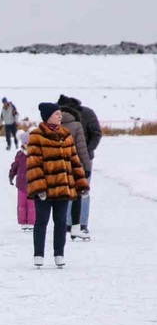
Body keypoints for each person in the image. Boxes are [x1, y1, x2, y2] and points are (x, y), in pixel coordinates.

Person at [26, 103, 89, 268]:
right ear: (47, 117)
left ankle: (59, 254)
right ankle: (38, 254)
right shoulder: (36, 136)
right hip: (45, 189)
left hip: (62, 187)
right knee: (41, 221)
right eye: (56, 114)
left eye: (60, 114)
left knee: (60, 222)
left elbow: (75, 161)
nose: (60, 117)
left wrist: (81, 183)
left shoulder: (66, 135)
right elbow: (34, 163)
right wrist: (39, 188)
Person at [59, 95, 102, 238]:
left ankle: (82, 223)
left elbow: (96, 134)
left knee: (83, 192)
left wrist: (87, 150)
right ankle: (68, 223)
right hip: (65, 159)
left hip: (85, 159)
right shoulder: (58, 117)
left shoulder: (87, 114)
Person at [58, 102, 91, 241]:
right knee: (77, 195)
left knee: (60, 197)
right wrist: (87, 167)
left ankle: (61, 226)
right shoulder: (77, 125)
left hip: (57, 166)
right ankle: (76, 227)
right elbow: (82, 148)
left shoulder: (55, 125)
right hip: (74, 165)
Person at [8, 130, 35, 231]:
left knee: (31, 204)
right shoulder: (20, 155)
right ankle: (23, 222)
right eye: (25, 143)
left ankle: (31, 222)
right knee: (22, 204)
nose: (27, 145)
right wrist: (11, 176)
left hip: (33, 184)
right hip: (21, 184)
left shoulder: (36, 155)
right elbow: (14, 166)